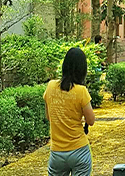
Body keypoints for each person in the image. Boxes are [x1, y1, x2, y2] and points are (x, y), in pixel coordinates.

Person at [44, 47, 95, 176]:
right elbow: (91, 120)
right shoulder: (81, 91)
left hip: (57, 152)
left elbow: (49, 116)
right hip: (79, 151)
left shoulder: (50, 86)